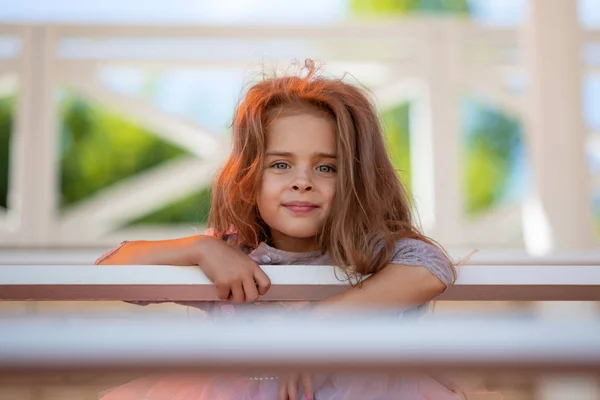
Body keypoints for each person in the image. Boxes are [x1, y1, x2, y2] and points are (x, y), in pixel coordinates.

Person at [96, 60, 461, 400]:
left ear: (356, 179)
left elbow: (431, 266)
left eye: (326, 168)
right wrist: (200, 249)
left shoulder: (373, 253)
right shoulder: (234, 255)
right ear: (249, 176)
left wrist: (316, 326)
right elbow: (107, 271)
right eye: (281, 164)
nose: (302, 182)